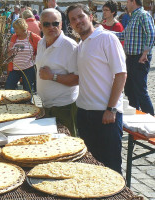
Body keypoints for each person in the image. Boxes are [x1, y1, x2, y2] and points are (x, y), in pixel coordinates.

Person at [66, 4, 127, 173]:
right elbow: (79, 78)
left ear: (90, 16)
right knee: (93, 167)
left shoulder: (107, 38)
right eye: (73, 19)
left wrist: (111, 108)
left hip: (106, 115)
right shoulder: (80, 46)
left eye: (81, 16)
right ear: (70, 25)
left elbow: (121, 74)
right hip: (85, 114)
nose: (78, 21)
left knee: (111, 167)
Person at [36, 8, 79, 137]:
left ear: (61, 24)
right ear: (40, 25)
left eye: (55, 23)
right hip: (45, 106)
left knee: (68, 144)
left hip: (64, 107)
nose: (51, 27)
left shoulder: (69, 46)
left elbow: (77, 79)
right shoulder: (41, 43)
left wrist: (51, 76)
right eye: (46, 24)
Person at [115, 0, 155, 115]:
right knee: (130, 90)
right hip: (131, 58)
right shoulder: (133, 17)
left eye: (127, 2)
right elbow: (123, 35)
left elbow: (151, 34)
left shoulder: (143, 15)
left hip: (139, 58)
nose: (126, 5)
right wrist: (106, 32)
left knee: (140, 91)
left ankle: (151, 122)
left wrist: (145, 53)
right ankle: (135, 120)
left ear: (133, 2)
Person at [5, 18, 41, 92]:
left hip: (28, 68)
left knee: (27, 90)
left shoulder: (32, 37)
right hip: (15, 68)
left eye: (16, 29)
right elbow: (10, 50)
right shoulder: (14, 37)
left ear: (22, 28)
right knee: (8, 87)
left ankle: (27, 103)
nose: (15, 30)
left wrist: (36, 57)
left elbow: (42, 47)